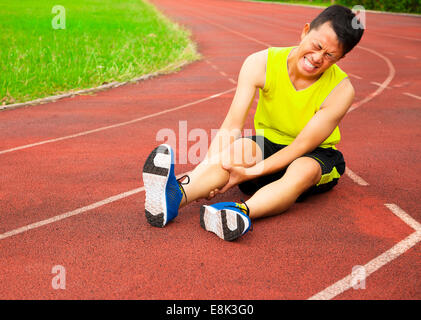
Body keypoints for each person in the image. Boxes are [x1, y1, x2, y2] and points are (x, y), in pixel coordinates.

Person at [142, 5, 364, 241]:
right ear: (305, 31)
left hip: (314, 154)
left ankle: (241, 212)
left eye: (330, 55)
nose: (318, 58)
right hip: (267, 143)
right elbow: (232, 126)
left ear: (341, 58)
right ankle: (174, 197)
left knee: (302, 170)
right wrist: (206, 170)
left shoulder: (341, 91)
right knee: (234, 153)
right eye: (317, 46)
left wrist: (248, 173)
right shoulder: (261, 63)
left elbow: (300, 147)